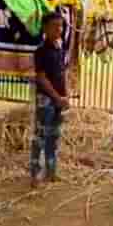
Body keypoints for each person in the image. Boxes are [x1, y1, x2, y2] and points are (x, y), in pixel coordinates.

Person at [30, 12, 70, 188]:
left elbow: (63, 73)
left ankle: (51, 171)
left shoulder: (60, 48)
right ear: (45, 28)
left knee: (53, 136)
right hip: (45, 100)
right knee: (40, 136)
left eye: (61, 26)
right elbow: (41, 78)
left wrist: (66, 95)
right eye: (54, 26)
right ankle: (35, 175)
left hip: (58, 99)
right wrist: (56, 97)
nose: (59, 29)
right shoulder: (41, 51)